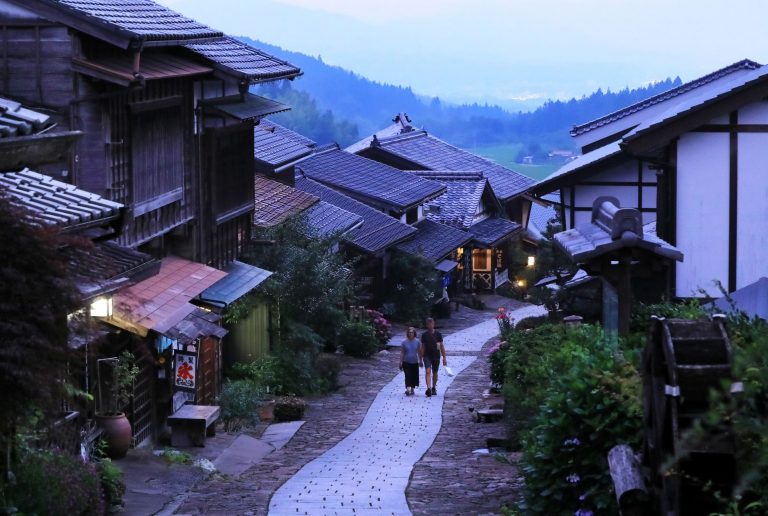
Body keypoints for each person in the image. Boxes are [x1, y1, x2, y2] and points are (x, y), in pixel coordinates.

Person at [420, 317, 446, 397]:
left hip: (436, 356)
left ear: (434, 324)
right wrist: (420, 359)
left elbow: (441, 346)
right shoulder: (424, 335)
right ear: (427, 325)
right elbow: (423, 347)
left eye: (431, 323)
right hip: (427, 356)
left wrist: (444, 358)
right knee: (428, 370)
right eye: (429, 324)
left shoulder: (438, 334)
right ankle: (428, 388)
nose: (430, 325)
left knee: (435, 372)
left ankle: (434, 387)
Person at [399, 327, 421, 396]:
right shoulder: (404, 342)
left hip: (414, 361)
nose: (410, 333)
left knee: (414, 376)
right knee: (408, 375)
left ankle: (412, 388)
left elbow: (419, 352)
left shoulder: (417, 342)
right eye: (409, 332)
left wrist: (421, 360)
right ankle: (408, 389)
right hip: (406, 361)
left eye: (412, 332)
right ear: (407, 333)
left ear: (414, 333)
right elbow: (402, 352)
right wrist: (400, 362)